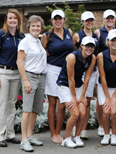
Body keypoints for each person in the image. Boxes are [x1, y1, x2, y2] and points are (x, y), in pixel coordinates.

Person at [0, 9, 25, 147]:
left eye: (15, 18)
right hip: (3, 73)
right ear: (6, 20)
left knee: (11, 105)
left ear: (18, 20)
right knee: (1, 105)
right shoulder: (1, 35)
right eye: (10, 18)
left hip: (16, 74)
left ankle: (10, 134)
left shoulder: (21, 36)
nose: (12, 20)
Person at [41, 10, 74, 143]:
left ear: (64, 20)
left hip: (66, 70)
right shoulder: (46, 35)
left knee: (62, 105)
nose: (58, 21)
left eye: (60, 18)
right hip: (52, 70)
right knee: (53, 103)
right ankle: (53, 134)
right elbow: (42, 53)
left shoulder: (69, 33)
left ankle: (59, 132)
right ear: (52, 20)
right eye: (55, 19)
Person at [57, 36, 96, 148]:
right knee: (75, 114)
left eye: (92, 46)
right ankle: (66, 138)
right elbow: (70, 78)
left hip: (78, 85)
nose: (89, 48)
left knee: (83, 113)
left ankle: (77, 136)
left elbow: (87, 77)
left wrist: (83, 95)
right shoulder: (71, 57)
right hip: (64, 85)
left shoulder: (92, 58)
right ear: (81, 46)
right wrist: (74, 97)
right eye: (87, 46)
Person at [16, 15, 47, 152]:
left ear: (41, 28)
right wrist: (26, 80)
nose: (36, 28)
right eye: (33, 26)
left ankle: (29, 136)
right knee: (27, 110)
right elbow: (19, 61)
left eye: (38, 26)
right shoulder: (25, 41)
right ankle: (23, 140)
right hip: (30, 77)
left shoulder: (38, 41)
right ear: (29, 27)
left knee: (35, 109)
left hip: (40, 77)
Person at [72, 11, 98, 140]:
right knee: (77, 100)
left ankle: (83, 129)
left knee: (87, 101)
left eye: (91, 20)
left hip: (92, 71)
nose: (89, 22)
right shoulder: (77, 36)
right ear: (82, 22)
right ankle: (74, 127)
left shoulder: (97, 34)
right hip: (78, 72)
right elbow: (71, 52)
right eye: (87, 20)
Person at [94, 9, 116, 137]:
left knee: (112, 96)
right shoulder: (98, 32)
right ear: (104, 19)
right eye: (107, 18)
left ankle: (111, 123)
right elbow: (95, 51)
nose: (110, 20)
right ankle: (101, 125)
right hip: (101, 67)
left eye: (112, 18)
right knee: (100, 98)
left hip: (114, 69)